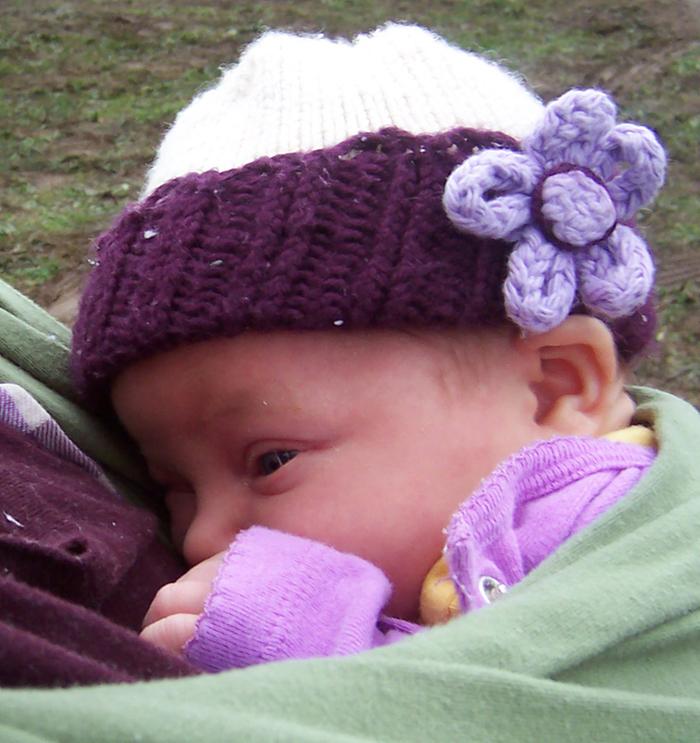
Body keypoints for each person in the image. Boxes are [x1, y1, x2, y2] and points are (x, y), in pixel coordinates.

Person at [1, 23, 700, 743]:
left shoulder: (586, 526)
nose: (204, 531)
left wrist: (315, 630)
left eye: (271, 459)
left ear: (554, 387)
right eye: (173, 485)